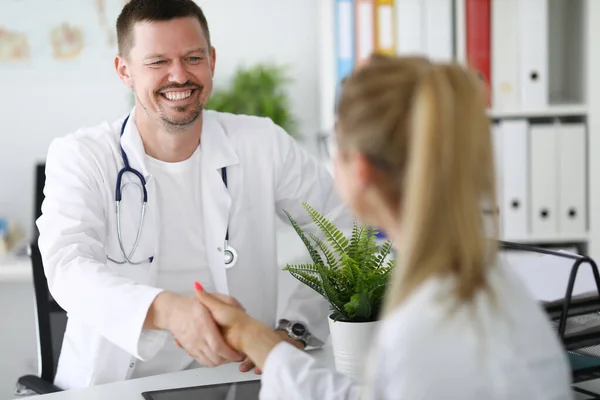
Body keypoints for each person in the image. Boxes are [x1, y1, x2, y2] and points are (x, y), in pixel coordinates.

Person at [192, 55, 574, 399]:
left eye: (333, 144)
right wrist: (257, 340)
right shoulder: (482, 283)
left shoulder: (427, 326)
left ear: (360, 170)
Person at [36, 0, 352, 390]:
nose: (179, 75)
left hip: (237, 380)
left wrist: (296, 329)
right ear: (125, 71)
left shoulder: (262, 143)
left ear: (212, 61)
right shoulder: (82, 156)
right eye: (157, 62)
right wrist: (167, 310)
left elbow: (341, 229)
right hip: (113, 386)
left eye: (193, 57)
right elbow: (67, 266)